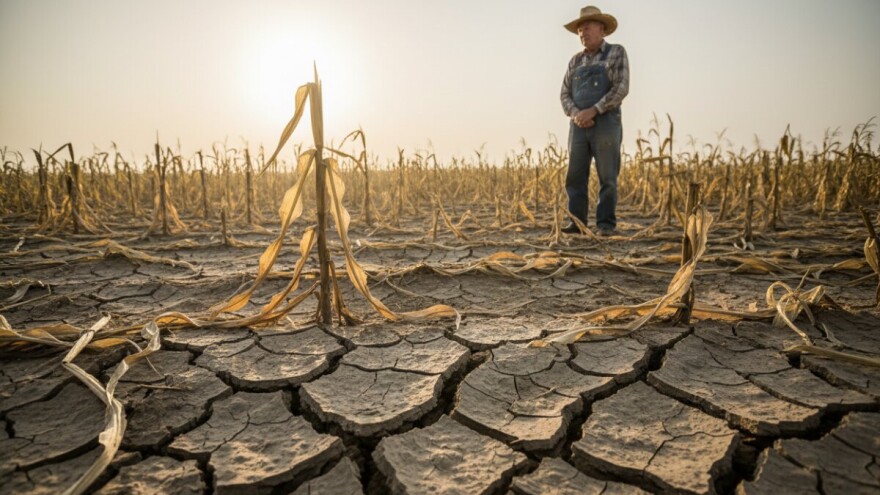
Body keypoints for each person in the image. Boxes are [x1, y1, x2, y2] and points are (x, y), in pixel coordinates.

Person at [560, 5, 629, 236]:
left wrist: (594, 110)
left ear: (602, 29)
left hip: (606, 123)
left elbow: (621, 88)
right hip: (578, 126)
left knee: (607, 176)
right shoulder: (574, 62)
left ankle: (605, 225)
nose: (583, 33)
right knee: (575, 176)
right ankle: (577, 224)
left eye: (587, 27)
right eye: (579, 29)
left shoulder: (616, 53)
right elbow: (564, 95)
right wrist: (577, 114)